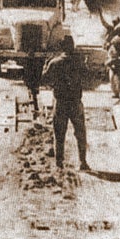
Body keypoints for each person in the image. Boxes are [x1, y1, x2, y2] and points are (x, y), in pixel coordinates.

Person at [41, 36, 90, 171]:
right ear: (73, 46)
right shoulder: (79, 62)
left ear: (61, 47)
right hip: (75, 102)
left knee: (59, 133)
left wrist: (46, 65)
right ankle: (83, 162)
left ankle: (59, 162)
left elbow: (44, 79)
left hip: (61, 102)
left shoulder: (54, 63)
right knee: (80, 133)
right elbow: (88, 77)